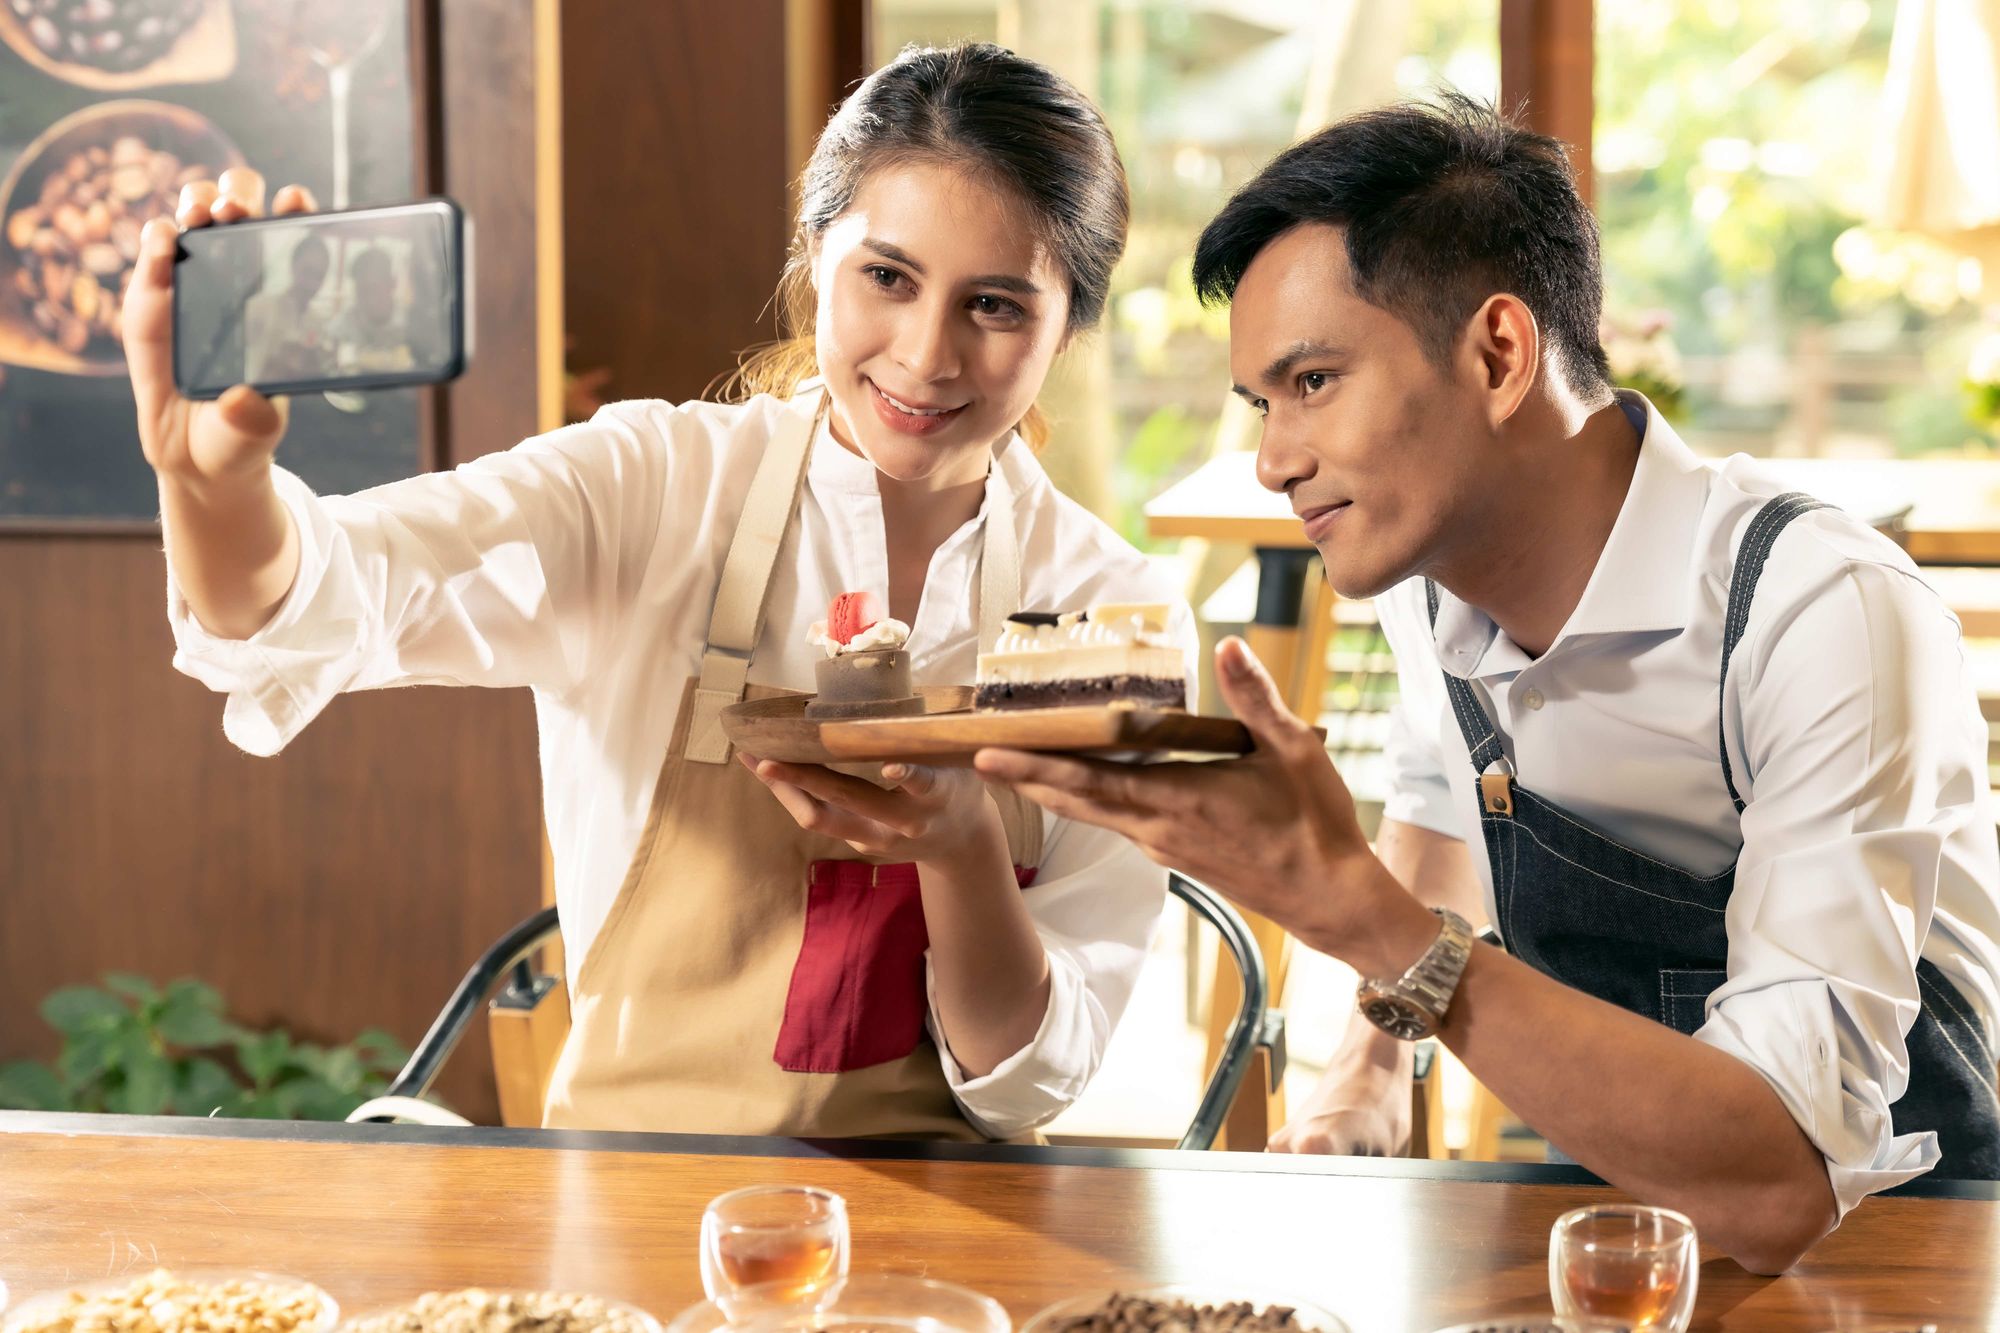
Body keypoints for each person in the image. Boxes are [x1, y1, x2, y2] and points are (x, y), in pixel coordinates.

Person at [977, 93, 2000, 1271]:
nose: (1271, 461)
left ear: (1498, 354)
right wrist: (1365, 1076)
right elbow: (1435, 800)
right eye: (1261, 403)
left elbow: (1779, 1184)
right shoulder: (1427, 584)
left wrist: (1351, 911)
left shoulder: (1818, 612)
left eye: (1313, 381)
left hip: (1906, 1248)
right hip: (1611, 1223)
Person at [122, 43, 1195, 1142]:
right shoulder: (650, 488)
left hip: (951, 1217)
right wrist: (212, 483)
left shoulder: (1106, 616)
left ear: (1070, 323)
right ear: (815, 256)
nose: (926, 355)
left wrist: (960, 845)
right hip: (633, 1197)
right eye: (887, 278)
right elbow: (314, 601)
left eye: (995, 306)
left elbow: (1028, 1084)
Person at [242, 232, 332, 382]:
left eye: (319, 276)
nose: (311, 283)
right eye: (307, 271)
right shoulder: (259, 307)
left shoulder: (317, 323)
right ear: (293, 265)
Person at [328, 248, 413, 373]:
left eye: (374, 288)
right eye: (362, 291)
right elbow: (331, 357)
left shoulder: (412, 323)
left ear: (392, 283)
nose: (369, 300)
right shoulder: (345, 324)